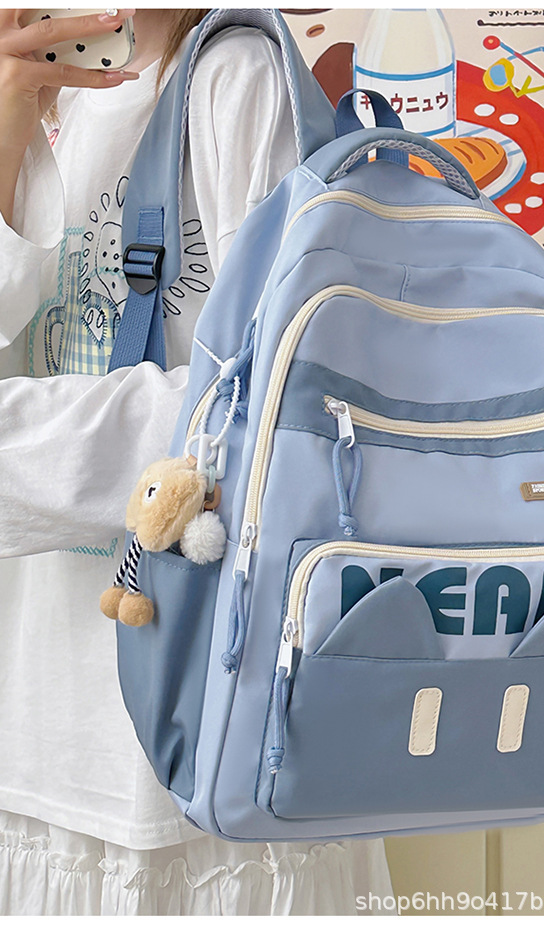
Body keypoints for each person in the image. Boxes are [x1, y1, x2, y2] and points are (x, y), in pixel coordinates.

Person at [0, 8, 391, 915]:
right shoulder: (48, 98)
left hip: (193, 734)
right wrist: (14, 107)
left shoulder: (235, 74)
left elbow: (276, 401)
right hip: (41, 718)